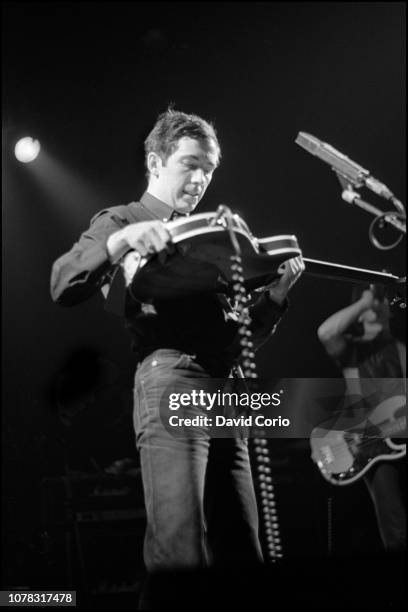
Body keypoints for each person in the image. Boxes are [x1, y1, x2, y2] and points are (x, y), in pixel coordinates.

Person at [50, 108, 304, 575]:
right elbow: (64, 283)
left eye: (209, 169)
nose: (201, 179)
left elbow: (236, 338)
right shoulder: (123, 217)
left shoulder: (212, 239)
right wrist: (122, 240)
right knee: (180, 547)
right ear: (155, 162)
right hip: (174, 377)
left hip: (228, 390)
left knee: (242, 547)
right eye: (190, 164)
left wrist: (275, 297)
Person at [317, 284, 406, 552]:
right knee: (398, 534)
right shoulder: (351, 349)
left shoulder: (401, 349)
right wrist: (366, 301)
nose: (380, 304)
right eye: (373, 302)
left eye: (382, 301)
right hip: (375, 449)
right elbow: (325, 332)